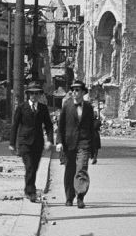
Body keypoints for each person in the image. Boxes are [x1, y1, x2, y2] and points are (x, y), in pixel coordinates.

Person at [56, 79, 101, 208]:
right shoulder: (67, 106)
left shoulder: (88, 107)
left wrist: (93, 148)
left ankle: (80, 196)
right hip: (69, 142)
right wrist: (59, 142)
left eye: (77, 90)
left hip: (84, 143)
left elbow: (91, 127)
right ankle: (69, 197)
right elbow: (61, 126)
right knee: (69, 170)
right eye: (73, 90)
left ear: (83, 92)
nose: (75, 93)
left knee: (81, 168)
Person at [9, 83, 54, 202]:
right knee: (29, 166)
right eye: (32, 93)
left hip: (38, 143)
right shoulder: (21, 107)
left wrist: (49, 140)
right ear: (28, 94)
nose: (34, 95)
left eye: (36, 93)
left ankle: (27, 189)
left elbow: (49, 126)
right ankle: (31, 191)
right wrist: (12, 144)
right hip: (24, 142)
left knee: (34, 167)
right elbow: (15, 126)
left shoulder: (43, 108)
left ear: (39, 95)